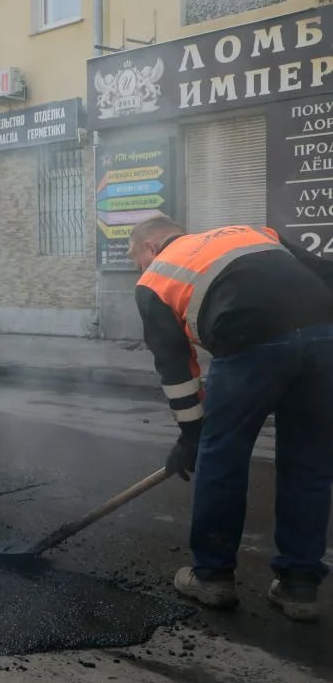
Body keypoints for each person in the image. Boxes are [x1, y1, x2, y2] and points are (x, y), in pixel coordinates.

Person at [128, 213, 333, 622]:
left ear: (150, 247)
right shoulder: (255, 231)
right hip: (323, 336)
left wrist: (192, 436)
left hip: (248, 341)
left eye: (134, 257)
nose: (138, 266)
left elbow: (177, 370)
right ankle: (298, 588)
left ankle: (214, 577)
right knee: (309, 464)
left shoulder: (153, 279)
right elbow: (325, 272)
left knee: (222, 460)